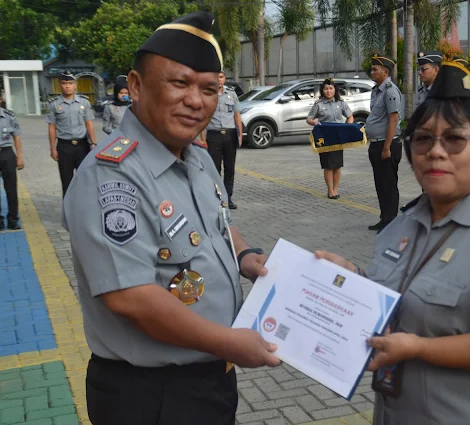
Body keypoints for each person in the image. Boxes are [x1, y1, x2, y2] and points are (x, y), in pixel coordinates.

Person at [62, 12, 280, 425]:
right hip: (151, 396)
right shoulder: (111, 175)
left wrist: (245, 255)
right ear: (136, 85)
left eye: (209, 89)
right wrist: (230, 343)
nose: (196, 101)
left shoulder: (196, 159)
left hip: (207, 382)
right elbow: (131, 298)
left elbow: (217, 224)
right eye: (179, 83)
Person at [315, 62, 470, 425]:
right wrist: (353, 276)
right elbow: (399, 296)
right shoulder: (403, 224)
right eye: (423, 139)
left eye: (455, 139)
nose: (435, 152)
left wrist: (419, 348)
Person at [365, 54, 403, 233]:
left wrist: (387, 147)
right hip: (376, 144)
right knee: (380, 184)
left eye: (375, 69)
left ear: (385, 72)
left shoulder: (390, 91)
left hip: (387, 144)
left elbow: (393, 119)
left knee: (388, 184)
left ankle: (391, 221)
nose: (372, 72)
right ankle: (384, 218)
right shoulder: (376, 90)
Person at [46, 70, 97, 197]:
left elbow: (89, 124)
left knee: (84, 180)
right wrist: (52, 149)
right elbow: (52, 127)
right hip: (64, 147)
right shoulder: (54, 104)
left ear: (75, 85)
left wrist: (93, 143)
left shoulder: (84, 102)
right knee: (66, 181)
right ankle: (68, 209)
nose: (67, 86)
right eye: (64, 83)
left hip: (82, 146)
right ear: (60, 85)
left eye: (70, 83)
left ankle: (83, 208)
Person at [200, 70, 242, 209]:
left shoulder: (231, 94)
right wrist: (203, 138)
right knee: (214, 169)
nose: (219, 80)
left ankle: (228, 198)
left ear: (225, 79)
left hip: (230, 135)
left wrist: (240, 134)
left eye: (221, 77)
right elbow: (204, 118)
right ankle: (217, 199)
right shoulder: (207, 94)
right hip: (214, 136)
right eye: (217, 77)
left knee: (229, 168)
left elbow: (236, 115)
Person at [307, 78, 354, 199]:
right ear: (322, 90)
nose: (328, 91)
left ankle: (336, 189)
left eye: (331, 88)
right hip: (325, 137)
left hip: (338, 137)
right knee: (328, 165)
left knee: (337, 164)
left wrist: (347, 127)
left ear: (335, 90)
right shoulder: (319, 104)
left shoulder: (340, 103)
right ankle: (330, 190)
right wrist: (315, 123)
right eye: (326, 89)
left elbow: (350, 116)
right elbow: (309, 118)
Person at [0, 89, 24, 231]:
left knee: (11, 188)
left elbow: (16, 137)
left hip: (7, 154)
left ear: (0, 100)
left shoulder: (9, 116)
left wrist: (19, 156)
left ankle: (13, 220)